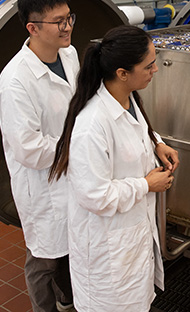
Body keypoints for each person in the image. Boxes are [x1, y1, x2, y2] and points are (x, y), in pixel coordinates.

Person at [49, 25, 179, 311]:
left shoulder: (127, 97)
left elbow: (134, 131)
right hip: (107, 253)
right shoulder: (92, 125)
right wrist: (146, 185)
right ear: (122, 73)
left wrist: (156, 142)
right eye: (149, 65)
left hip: (131, 239)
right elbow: (93, 195)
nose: (155, 70)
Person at [0, 0, 77, 312]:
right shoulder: (15, 82)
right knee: (44, 259)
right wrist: (77, 145)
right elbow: (27, 148)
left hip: (71, 172)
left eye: (69, 17)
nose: (68, 26)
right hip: (42, 185)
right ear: (33, 28)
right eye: (58, 21)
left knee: (70, 249)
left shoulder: (68, 55)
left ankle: (68, 301)